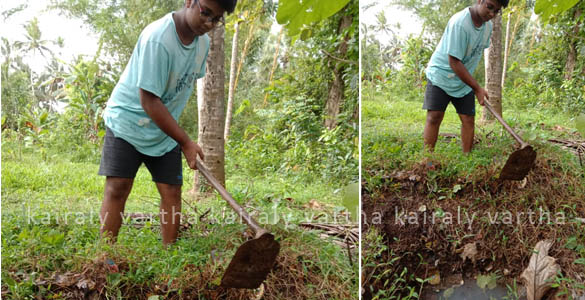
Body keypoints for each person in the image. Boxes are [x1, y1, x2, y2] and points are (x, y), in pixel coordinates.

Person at [98, 0, 237, 246]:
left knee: (172, 191)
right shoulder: (158, 39)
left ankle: (169, 255)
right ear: (189, 2)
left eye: (217, 19)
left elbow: (180, 86)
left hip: (163, 129)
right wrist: (185, 141)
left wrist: (177, 136)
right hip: (128, 122)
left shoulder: (202, 43)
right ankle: (106, 256)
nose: (209, 23)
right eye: (206, 13)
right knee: (118, 187)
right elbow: (149, 100)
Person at [423, 0, 508, 153]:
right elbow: (454, 62)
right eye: (489, 7)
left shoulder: (487, 26)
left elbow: (473, 54)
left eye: (496, 11)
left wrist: (472, 85)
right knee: (434, 116)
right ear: (480, 1)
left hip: (463, 80)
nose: (492, 14)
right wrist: (477, 88)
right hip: (441, 75)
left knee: (468, 119)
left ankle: (467, 157)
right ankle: (427, 160)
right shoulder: (460, 23)